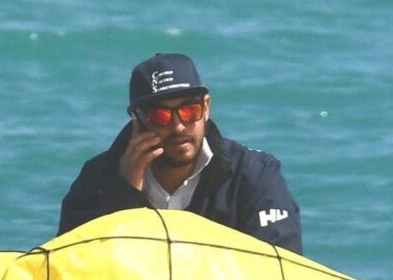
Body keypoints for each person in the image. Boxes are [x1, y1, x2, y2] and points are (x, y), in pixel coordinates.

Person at [57, 53, 302, 253]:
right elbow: (70, 271)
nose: (178, 127)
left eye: (189, 111)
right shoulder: (95, 179)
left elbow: (283, 267)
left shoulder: (255, 175)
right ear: (137, 119)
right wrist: (124, 193)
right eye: (160, 116)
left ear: (206, 108)